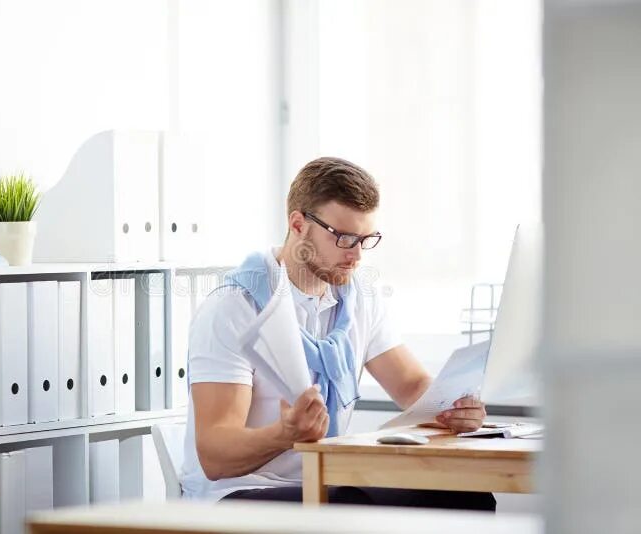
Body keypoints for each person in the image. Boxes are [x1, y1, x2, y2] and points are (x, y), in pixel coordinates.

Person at [180, 157, 494, 510]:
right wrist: (284, 435)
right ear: (298, 224)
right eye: (344, 238)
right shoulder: (233, 308)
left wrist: (453, 408)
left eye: (366, 239)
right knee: (353, 505)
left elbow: (411, 387)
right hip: (241, 492)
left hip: (324, 480)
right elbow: (215, 456)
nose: (357, 255)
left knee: (467, 497)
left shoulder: (359, 300)